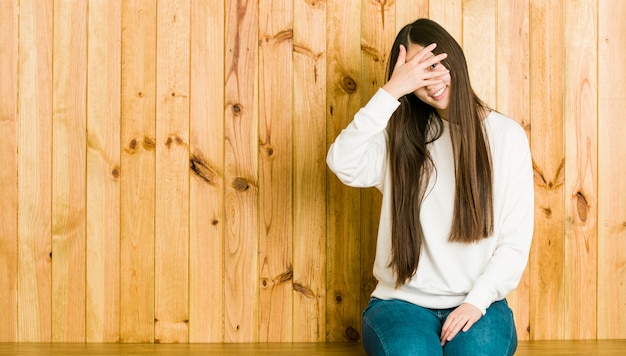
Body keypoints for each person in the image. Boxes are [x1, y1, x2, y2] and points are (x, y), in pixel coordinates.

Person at [326, 18, 534, 355]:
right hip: (400, 304)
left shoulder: (506, 136)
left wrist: (476, 303)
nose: (430, 81)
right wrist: (392, 91)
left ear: (454, 59)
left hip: (478, 304)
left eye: (434, 64)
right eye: (416, 73)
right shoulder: (399, 137)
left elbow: (514, 242)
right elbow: (342, 163)